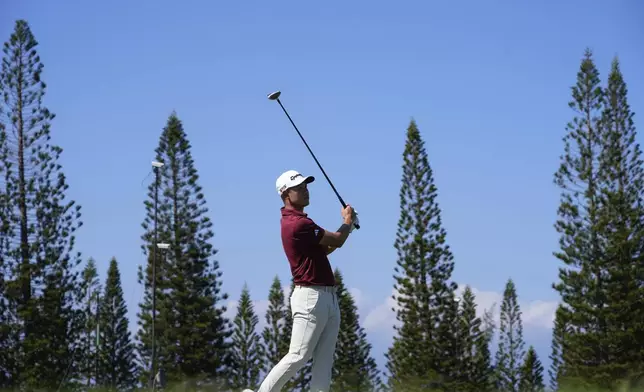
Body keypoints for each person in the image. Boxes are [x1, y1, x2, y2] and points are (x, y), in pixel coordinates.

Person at [244, 169, 358, 392]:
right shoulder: (297, 224)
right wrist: (347, 222)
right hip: (310, 298)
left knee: (324, 362)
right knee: (298, 354)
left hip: (327, 297)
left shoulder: (302, 223)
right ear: (286, 194)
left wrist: (349, 227)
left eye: (306, 186)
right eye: (300, 188)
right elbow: (337, 239)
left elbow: (325, 249)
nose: (306, 191)